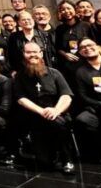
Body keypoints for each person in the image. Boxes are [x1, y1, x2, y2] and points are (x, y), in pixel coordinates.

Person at [12, 42, 75, 174]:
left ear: (41, 53)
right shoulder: (20, 76)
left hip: (57, 115)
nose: (32, 55)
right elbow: (21, 99)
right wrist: (40, 111)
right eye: (28, 52)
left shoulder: (55, 73)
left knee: (58, 122)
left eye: (35, 52)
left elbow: (66, 96)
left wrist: (56, 110)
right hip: (34, 118)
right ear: (24, 55)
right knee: (44, 163)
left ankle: (67, 159)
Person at [7, 10, 53, 74]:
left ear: (33, 20)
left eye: (29, 19)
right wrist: (13, 71)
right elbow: (11, 56)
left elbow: (50, 54)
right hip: (23, 72)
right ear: (19, 23)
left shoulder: (45, 35)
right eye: (23, 20)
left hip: (44, 71)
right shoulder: (14, 37)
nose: (27, 21)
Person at [54, 0, 93, 76]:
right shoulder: (59, 28)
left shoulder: (86, 25)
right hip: (69, 65)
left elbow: (95, 43)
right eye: (63, 9)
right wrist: (65, 54)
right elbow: (58, 47)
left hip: (86, 62)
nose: (66, 11)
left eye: (69, 8)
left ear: (75, 9)